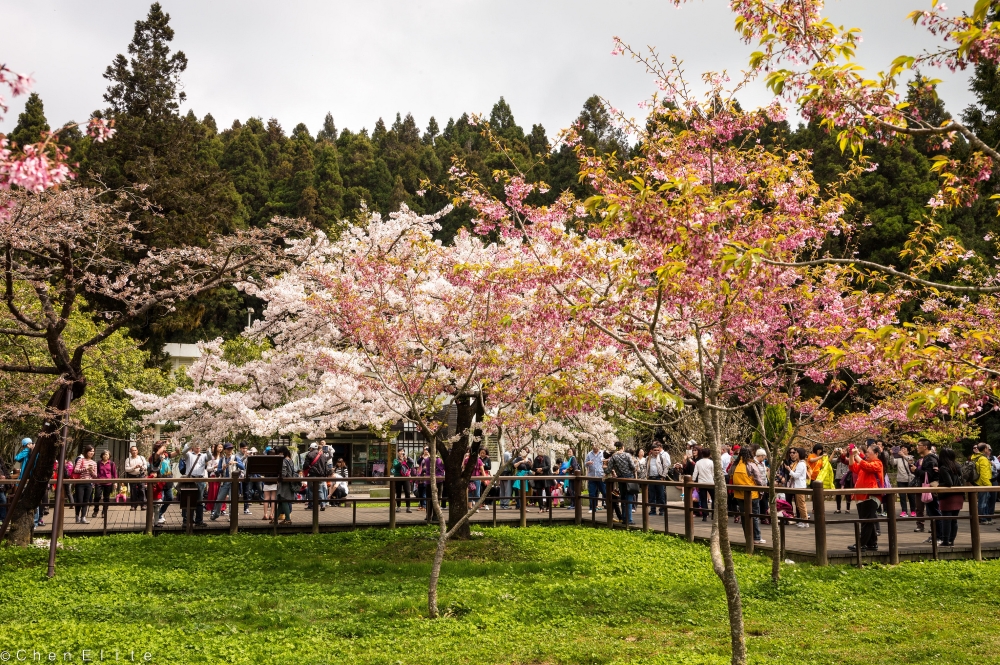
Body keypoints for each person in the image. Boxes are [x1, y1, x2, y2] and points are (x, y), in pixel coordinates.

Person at [848, 443, 884, 552]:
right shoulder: (864, 463)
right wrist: (851, 455)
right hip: (862, 496)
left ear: (876, 453)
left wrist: (857, 456)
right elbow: (853, 467)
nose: (866, 454)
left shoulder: (878, 463)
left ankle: (861, 544)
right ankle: (872, 544)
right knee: (868, 520)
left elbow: (867, 467)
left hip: (871, 495)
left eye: (869, 452)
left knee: (866, 521)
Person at [732, 446, 765, 544]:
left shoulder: (735, 464)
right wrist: (761, 491)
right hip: (752, 494)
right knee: (754, 516)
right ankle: (757, 537)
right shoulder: (751, 464)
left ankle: (748, 537)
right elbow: (758, 479)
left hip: (739, 494)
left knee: (744, 516)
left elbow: (729, 474)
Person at [913, 438, 940, 540]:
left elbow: (929, 475)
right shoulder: (927, 458)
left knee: (934, 512)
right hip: (928, 488)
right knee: (932, 512)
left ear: (925, 447)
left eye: (919, 445)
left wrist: (916, 470)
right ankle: (935, 535)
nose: (917, 447)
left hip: (930, 488)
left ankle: (938, 536)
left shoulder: (930, 459)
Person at [937, 447, 964, 547]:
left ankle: (945, 541)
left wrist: (938, 486)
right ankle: (951, 541)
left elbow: (949, 483)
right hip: (959, 495)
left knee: (946, 519)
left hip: (948, 496)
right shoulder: (957, 465)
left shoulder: (944, 467)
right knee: (954, 519)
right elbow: (961, 480)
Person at [210, 443, 244, 521]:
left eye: (231, 449)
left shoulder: (235, 457)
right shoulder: (222, 459)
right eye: (228, 449)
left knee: (232, 500)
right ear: (225, 450)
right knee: (219, 499)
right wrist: (223, 468)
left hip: (234, 482)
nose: (230, 450)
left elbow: (243, 467)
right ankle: (216, 514)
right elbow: (218, 471)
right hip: (225, 481)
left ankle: (232, 517)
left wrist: (236, 463)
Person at [180, 442, 208, 528]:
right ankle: (186, 521)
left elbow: (210, 457)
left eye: (199, 445)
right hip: (190, 479)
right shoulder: (188, 455)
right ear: (193, 447)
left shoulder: (203, 455)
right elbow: (183, 452)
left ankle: (199, 521)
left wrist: (208, 449)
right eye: (196, 446)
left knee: (199, 502)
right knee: (187, 500)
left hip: (200, 479)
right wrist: (190, 443)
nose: (198, 447)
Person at [609, 442, 637, 525]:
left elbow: (608, 469)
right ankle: (629, 520)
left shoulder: (613, 457)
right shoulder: (627, 455)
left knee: (623, 498)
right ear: (622, 447)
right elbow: (632, 467)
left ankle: (624, 518)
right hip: (629, 478)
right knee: (629, 499)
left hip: (620, 478)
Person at [785, 447, 809, 528]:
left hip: (800, 486)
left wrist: (789, 470)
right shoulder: (800, 463)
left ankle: (805, 521)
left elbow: (796, 475)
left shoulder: (801, 464)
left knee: (801, 504)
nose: (795, 454)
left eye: (796, 453)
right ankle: (803, 520)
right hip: (799, 486)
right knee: (799, 504)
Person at [72, 445, 97, 524]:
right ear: (86, 452)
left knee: (86, 501)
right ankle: (77, 516)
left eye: (93, 451)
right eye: (90, 451)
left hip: (89, 483)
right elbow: (76, 470)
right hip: (80, 483)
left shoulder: (94, 463)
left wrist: (91, 471)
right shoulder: (81, 460)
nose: (92, 453)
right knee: (79, 500)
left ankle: (83, 517)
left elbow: (95, 476)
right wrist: (86, 468)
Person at [301, 442, 330, 510]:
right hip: (321, 475)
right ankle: (323, 505)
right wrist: (325, 475)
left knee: (311, 490)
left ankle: (311, 505)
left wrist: (305, 470)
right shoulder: (323, 455)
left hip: (312, 474)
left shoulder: (309, 454)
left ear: (311, 448)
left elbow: (305, 465)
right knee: (320, 490)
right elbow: (326, 467)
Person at [646, 442, 671, 516]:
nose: (657, 451)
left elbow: (666, 467)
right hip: (651, 478)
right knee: (652, 495)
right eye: (655, 450)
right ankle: (652, 510)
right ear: (651, 450)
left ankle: (662, 510)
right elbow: (645, 467)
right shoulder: (648, 458)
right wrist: (646, 475)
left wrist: (663, 476)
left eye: (658, 450)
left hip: (659, 477)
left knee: (661, 495)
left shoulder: (661, 457)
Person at [91, 450, 117, 519]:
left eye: (107, 454)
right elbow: (96, 472)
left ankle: (104, 511)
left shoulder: (111, 463)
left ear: (109, 456)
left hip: (108, 483)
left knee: (106, 498)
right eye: (104, 454)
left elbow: (114, 474)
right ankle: (95, 510)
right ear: (102, 455)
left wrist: (115, 482)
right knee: (97, 496)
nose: (106, 456)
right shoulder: (98, 463)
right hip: (99, 482)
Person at [893, 444, 916, 518]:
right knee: (902, 496)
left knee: (911, 496)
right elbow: (892, 463)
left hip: (910, 479)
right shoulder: (897, 458)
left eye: (904, 449)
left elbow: (911, 462)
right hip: (900, 479)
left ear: (908, 450)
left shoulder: (910, 457)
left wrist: (903, 455)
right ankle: (904, 511)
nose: (902, 450)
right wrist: (891, 455)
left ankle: (913, 510)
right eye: (901, 448)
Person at [971, 443, 992, 524]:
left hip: (978, 482)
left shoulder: (976, 457)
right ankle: (982, 519)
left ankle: (985, 518)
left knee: (983, 501)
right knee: (983, 502)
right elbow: (984, 474)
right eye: (987, 448)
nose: (988, 449)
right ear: (984, 449)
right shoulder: (982, 458)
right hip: (983, 483)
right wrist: (989, 486)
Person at [152, 443, 173, 526]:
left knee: (170, 498)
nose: (165, 448)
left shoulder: (167, 455)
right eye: (163, 447)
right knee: (161, 499)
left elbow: (177, 453)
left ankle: (160, 514)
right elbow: (157, 454)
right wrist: (164, 445)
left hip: (168, 480)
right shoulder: (155, 456)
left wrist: (177, 447)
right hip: (159, 482)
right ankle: (158, 517)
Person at [691, 448, 715, 521]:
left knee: (703, 499)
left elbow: (695, 473)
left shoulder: (698, 462)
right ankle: (713, 514)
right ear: (709, 454)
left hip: (701, 482)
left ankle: (705, 516)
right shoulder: (711, 462)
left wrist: (692, 480)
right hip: (710, 482)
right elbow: (713, 473)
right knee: (714, 498)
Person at [124, 444, 148, 512]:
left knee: (142, 490)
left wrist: (142, 467)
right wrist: (134, 467)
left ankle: (143, 505)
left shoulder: (141, 457)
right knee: (133, 490)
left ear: (137, 451)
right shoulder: (128, 459)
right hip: (132, 476)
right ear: (130, 451)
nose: (134, 452)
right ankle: (133, 505)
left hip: (141, 475)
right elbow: (126, 469)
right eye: (132, 450)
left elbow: (146, 466)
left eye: (135, 450)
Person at [276, 445, 296, 524]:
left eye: (280, 453)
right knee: (281, 501)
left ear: (282, 452)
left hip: (284, 483)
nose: (279, 455)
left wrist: (279, 478)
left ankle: (288, 519)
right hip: (290, 482)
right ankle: (275, 518)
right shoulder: (290, 460)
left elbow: (283, 473)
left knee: (283, 500)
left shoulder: (283, 461)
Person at [584, 442, 606, 514]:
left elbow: (607, 462)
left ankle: (610, 506)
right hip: (592, 475)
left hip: (601, 475)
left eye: (596, 446)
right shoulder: (589, 454)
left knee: (604, 492)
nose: (595, 448)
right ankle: (592, 508)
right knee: (592, 493)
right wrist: (588, 463)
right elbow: (585, 464)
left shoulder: (603, 453)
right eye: (594, 446)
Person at [390, 448, 413, 513]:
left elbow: (410, 466)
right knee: (398, 492)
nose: (401, 452)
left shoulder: (406, 459)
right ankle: (398, 507)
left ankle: (408, 507)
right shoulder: (396, 460)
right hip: (398, 477)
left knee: (407, 492)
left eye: (403, 451)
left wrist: (407, 460)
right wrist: (401, 462)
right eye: (400, 451)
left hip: (406, 477)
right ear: (398, 453)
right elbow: (396, 466)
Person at [831, 447, 853, 514]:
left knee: (847, 493)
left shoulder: (849, 458)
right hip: (838, 477)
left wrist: (842, 453)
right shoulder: (838, 459)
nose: (843, 451)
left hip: (846, 477)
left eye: (844, 450)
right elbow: (830, 460)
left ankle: (848, 509)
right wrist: (834, 452)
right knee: (838, 493)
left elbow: (847, 461)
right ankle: (838, 509)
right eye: (842, 450)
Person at [236, 443, 254, 515]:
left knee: (246, 492)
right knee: (236, 493)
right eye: (243, 448)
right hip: (238, 476)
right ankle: (235, 509)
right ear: (240, 448)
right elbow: (237, 463)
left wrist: (251, 457)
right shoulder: (237, 455)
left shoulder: (248, 454)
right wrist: (244, 456)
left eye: (246, 448)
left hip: (246, 475)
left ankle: (246, 508)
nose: (245, 450)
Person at [262, 448, 279, 521]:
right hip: (274, 481)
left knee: (266, 499)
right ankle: (271, 514)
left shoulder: (266, 462)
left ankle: (265, 514)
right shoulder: (276, 462)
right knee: (273, 499)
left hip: (266, 482)